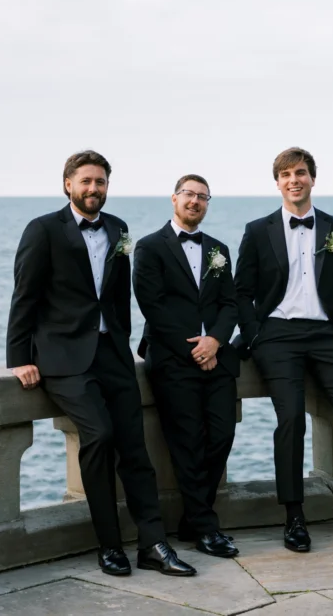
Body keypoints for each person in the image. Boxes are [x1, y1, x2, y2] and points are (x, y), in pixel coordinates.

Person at [6, 150, 196, 577]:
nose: (94, 189)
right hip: (64, 360)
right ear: (68, 184)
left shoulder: (118, 229)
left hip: (113, 355)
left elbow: (118, 294)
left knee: (136, 449)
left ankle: (154, 544)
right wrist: (19, 358)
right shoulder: (42, 230)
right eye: (86, 181)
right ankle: (110, 546)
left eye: (101, 182)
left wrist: (127, 342)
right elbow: (24, 296)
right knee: (100, 435)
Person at [234, 147, 333, 552]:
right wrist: (255, 334)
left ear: (312, 178)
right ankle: (294, 518)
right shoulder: (258, 230)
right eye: (286, 174)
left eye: (301, 172)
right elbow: (241, 291)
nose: (294, 180)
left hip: (328, 335)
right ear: (277, 182)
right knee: (291, 420)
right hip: (278, 335)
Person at [133, 174, 239, 558]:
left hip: (216, 358)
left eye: (203, 197)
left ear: (208, 204)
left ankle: (193, 520)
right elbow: (152, 304)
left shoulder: (219, 249)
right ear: (174, 199)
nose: (195, 201)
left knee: (222, 435)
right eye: (189, 195)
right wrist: (194, 348)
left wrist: (215, 341)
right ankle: (206, 529)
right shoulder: (148, 247)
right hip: (173, 360)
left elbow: (231, 302)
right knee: (187, 443)